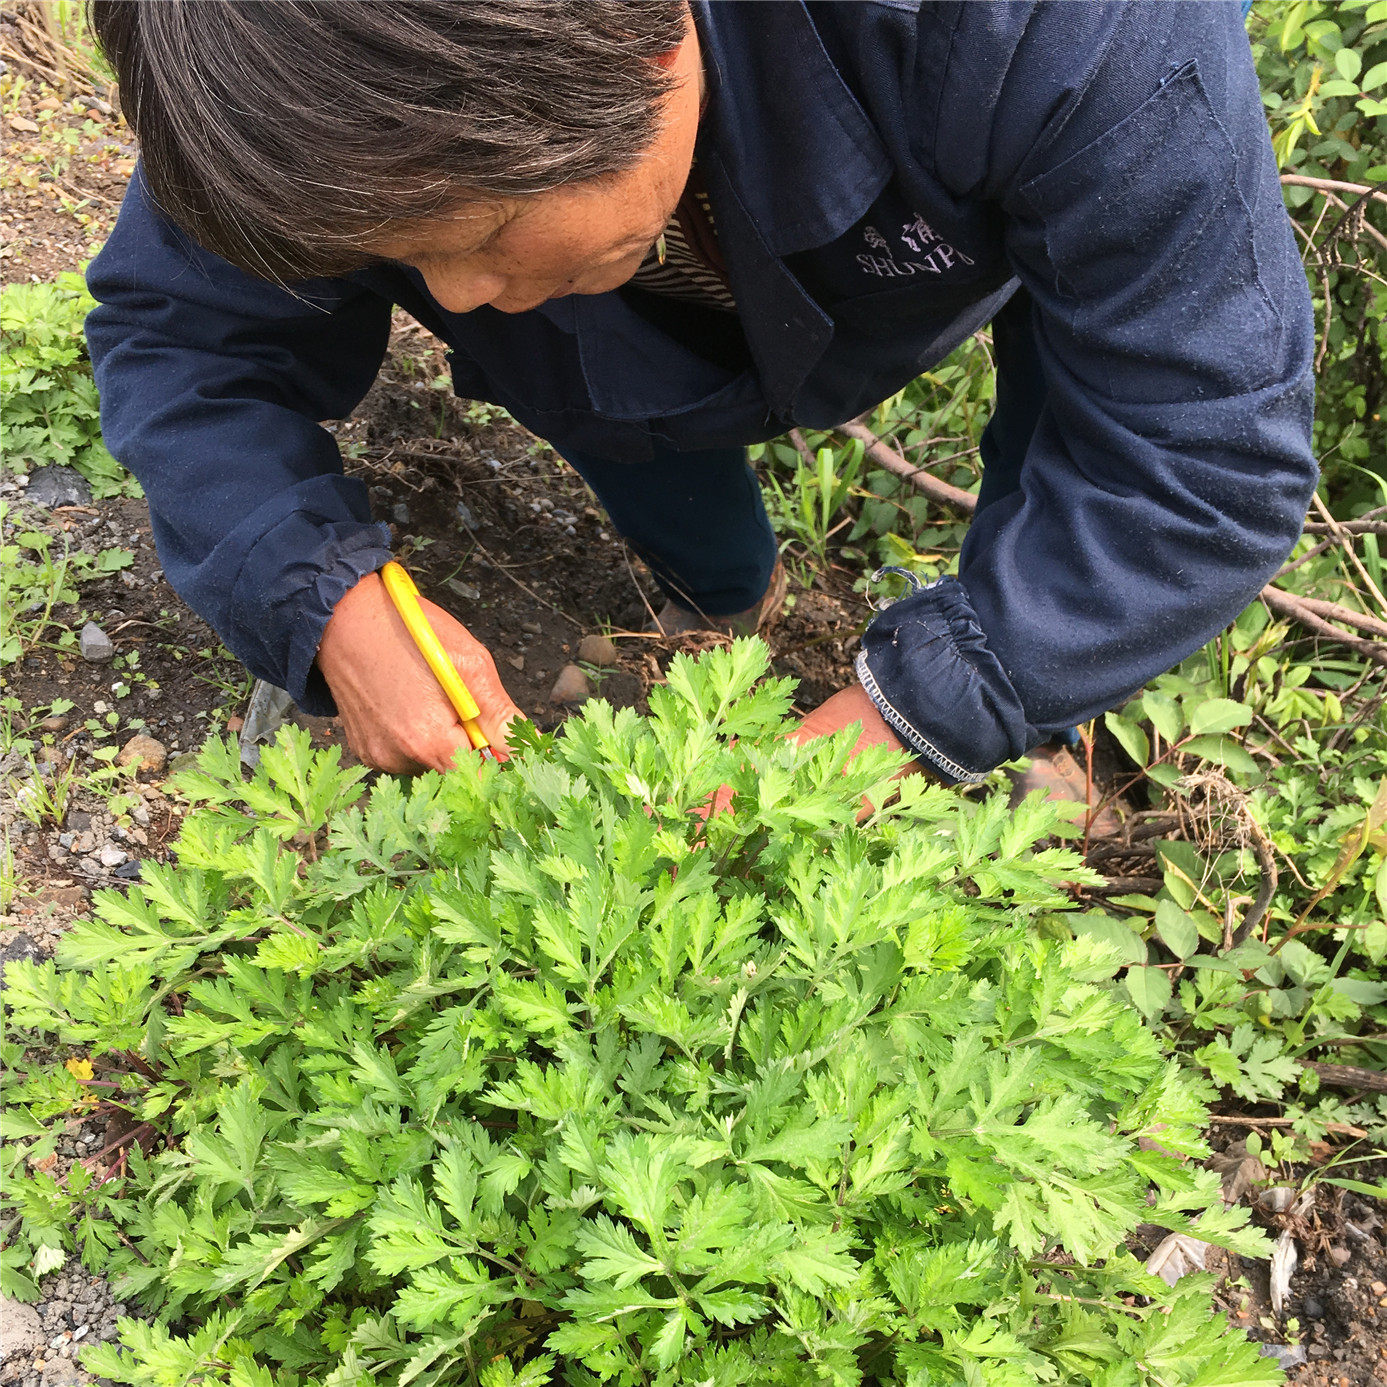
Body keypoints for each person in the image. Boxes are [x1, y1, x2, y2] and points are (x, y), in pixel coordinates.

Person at [83, 0, 1316, 793]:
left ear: (645, 41)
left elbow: (1193, 456)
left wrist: (922, 713)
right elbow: (180, 338)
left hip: (953, 224)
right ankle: (724, 602)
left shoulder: (1066, 31)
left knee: (1071, 445)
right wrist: (324, 600)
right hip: (610, 337)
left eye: (481, 234)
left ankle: (1042, 721)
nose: (447, 296)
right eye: (401, 258)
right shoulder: (302, 73)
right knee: (598, 374)